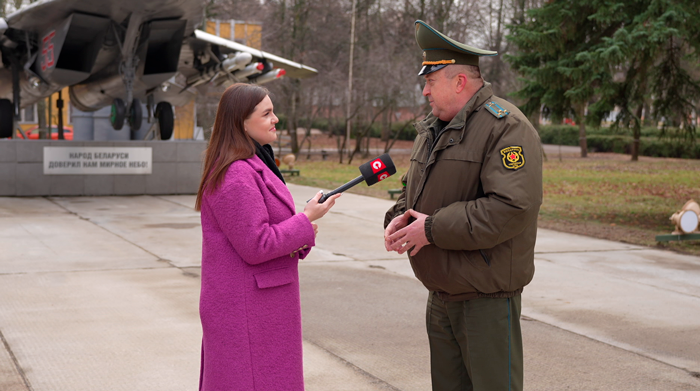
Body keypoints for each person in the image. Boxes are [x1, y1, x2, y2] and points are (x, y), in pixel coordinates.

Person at [384, 20, 542, 391]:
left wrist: (430, 228)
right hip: (441, 294)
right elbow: (415, 194)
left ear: (459, 82)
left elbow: (511, 207)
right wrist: (397, 220)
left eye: (430, 81)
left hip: (485, 299)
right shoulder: (434, 128)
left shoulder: (506, 127)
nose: (424, 91)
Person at [195, 83, 340, 391]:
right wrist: (305, 220)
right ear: (241, 122)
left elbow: (267, 232)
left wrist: (302, 229)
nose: (276, 119)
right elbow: (256, 244)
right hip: (246, 311)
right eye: (267, 113)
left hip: (261, 308)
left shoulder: (254, 164)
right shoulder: (235, 174)